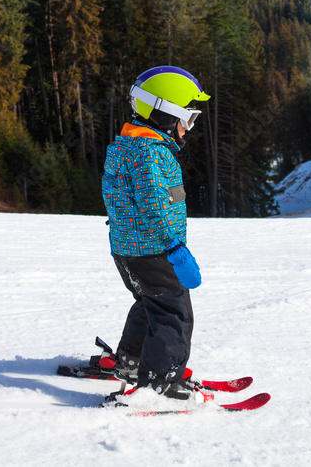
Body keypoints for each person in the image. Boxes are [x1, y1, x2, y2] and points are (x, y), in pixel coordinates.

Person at [101, 66, 210, 403]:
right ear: (165, 114)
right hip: (154, 249)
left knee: (150, 304)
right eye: (187, 119)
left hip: (128, 249)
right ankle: (159, 382)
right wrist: (175, 248)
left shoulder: (127, 145)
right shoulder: (150, 153)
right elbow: (154, 207)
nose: (188, 129)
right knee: (173, 313)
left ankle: (131, 361)